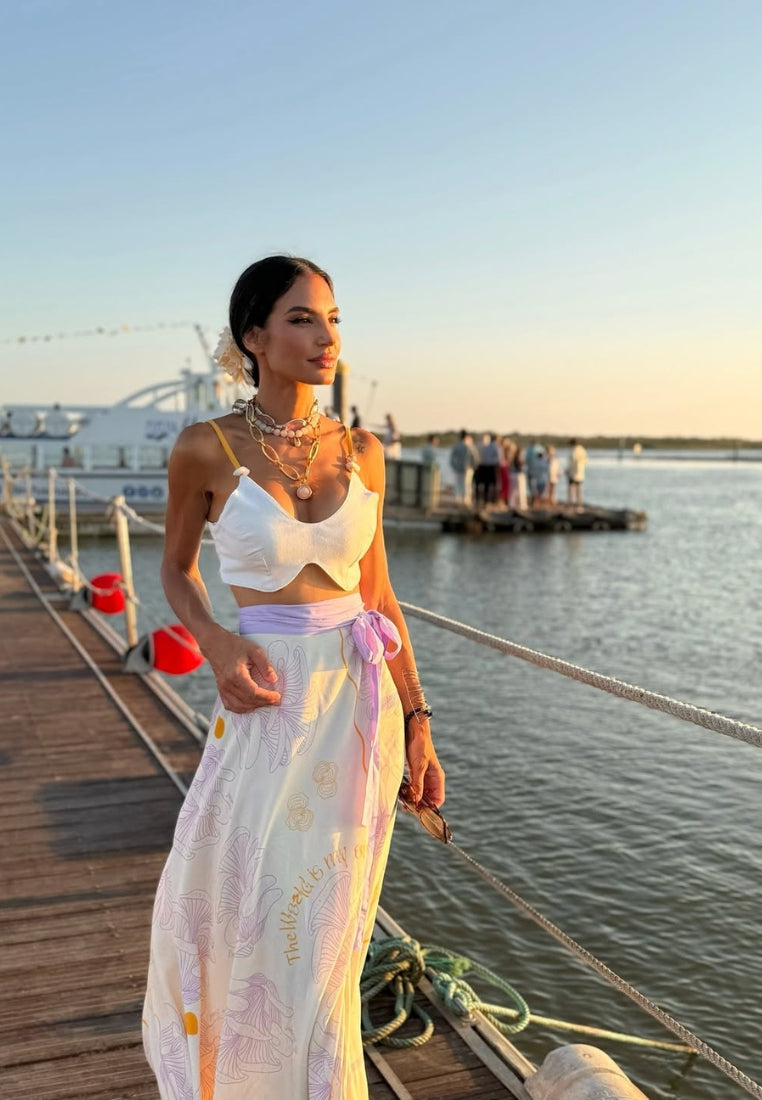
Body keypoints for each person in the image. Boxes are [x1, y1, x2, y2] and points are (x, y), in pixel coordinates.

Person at [142, 255, 445, 1099]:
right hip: (268, 706)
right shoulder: (204, 449)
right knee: (243, 906)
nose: (328, 338)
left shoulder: (364, 451)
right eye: (305, 319)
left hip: (359, 716)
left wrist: (418, 724)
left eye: (335, 319)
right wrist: (212, 640)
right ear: (254, 336)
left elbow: (379, 596)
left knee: (327, 938)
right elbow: (174, 570)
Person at [449, 429, 479, 506]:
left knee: (458, 484)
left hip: (458, 468)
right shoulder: (469, 445)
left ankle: (458, 500)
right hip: (467, 468)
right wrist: (474, 466)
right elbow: (475, 457)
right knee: (467, 484)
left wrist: (454, 466)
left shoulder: (456, 446)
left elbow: (452, 458)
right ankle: (466, 500)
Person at [473, 432, 501, 506]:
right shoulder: (495, 446)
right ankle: (490, 500)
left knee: (485, 485)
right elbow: (498, 458)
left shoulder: (485, 446)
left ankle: (485, 500)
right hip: (490, 467)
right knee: (491, 484)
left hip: (483, 466)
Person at [566, 437, 588, 508]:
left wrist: (567, 470)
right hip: (580, 472)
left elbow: (572, 463)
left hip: (573, 473)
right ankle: (579, 504)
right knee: (579, 488)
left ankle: (570, 503)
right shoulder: (583, 450)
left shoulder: (574, 451)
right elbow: (586, 461)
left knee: (571, 488)